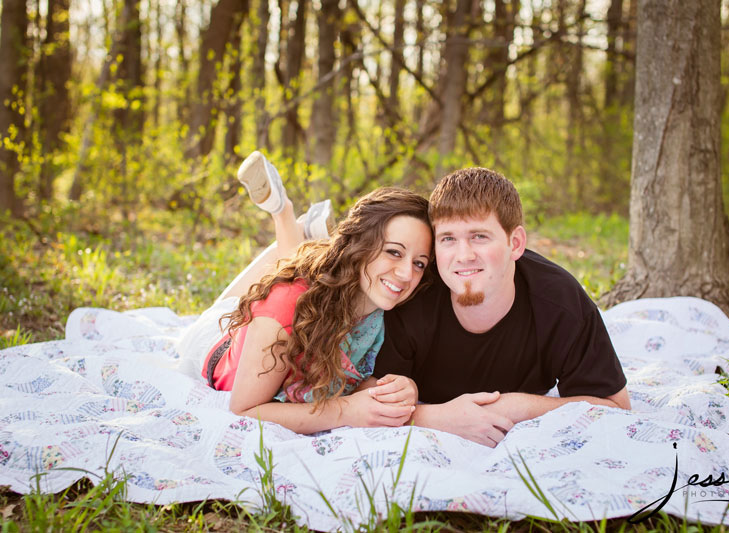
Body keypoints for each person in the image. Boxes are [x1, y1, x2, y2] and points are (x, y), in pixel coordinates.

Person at [176, 151, 433, 434]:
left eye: (419, 263)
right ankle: (284, 213)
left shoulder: (377, 311)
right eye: (394, 252)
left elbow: (349, 380)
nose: (407, 273)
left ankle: (305, 233)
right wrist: (344, 411)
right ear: (361, 246)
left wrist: (398, 390)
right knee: (284, 279)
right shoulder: (284, 306)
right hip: (214, 343)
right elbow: (245, 410)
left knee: (301, 267)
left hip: (307, 296)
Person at [373, 167, 631, 447]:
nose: (463, 256)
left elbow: (614, 405)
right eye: (448, 238)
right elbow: (364, 391)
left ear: (515, 243)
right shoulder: (413, 294)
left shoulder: (559, 301)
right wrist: (435, 417)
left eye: (479, 236)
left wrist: (516, 407)